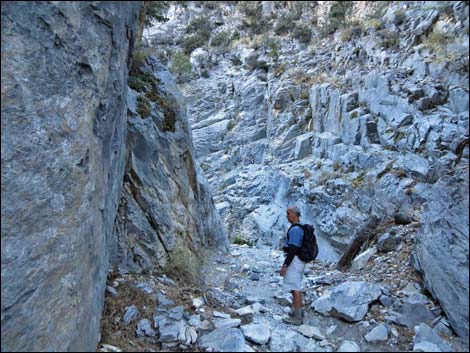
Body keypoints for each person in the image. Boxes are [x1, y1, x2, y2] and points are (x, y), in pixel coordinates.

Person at [280, 205, 306, 325]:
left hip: (295, 260)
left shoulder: (295, 229)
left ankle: (298, 317)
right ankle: (297, 311)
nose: (287, 215)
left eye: (289, 213)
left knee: (295, 288)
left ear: (295, 214)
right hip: (298, 260)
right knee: (294, 285)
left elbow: (293, 248)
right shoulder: (299, 227)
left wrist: (285, 265)